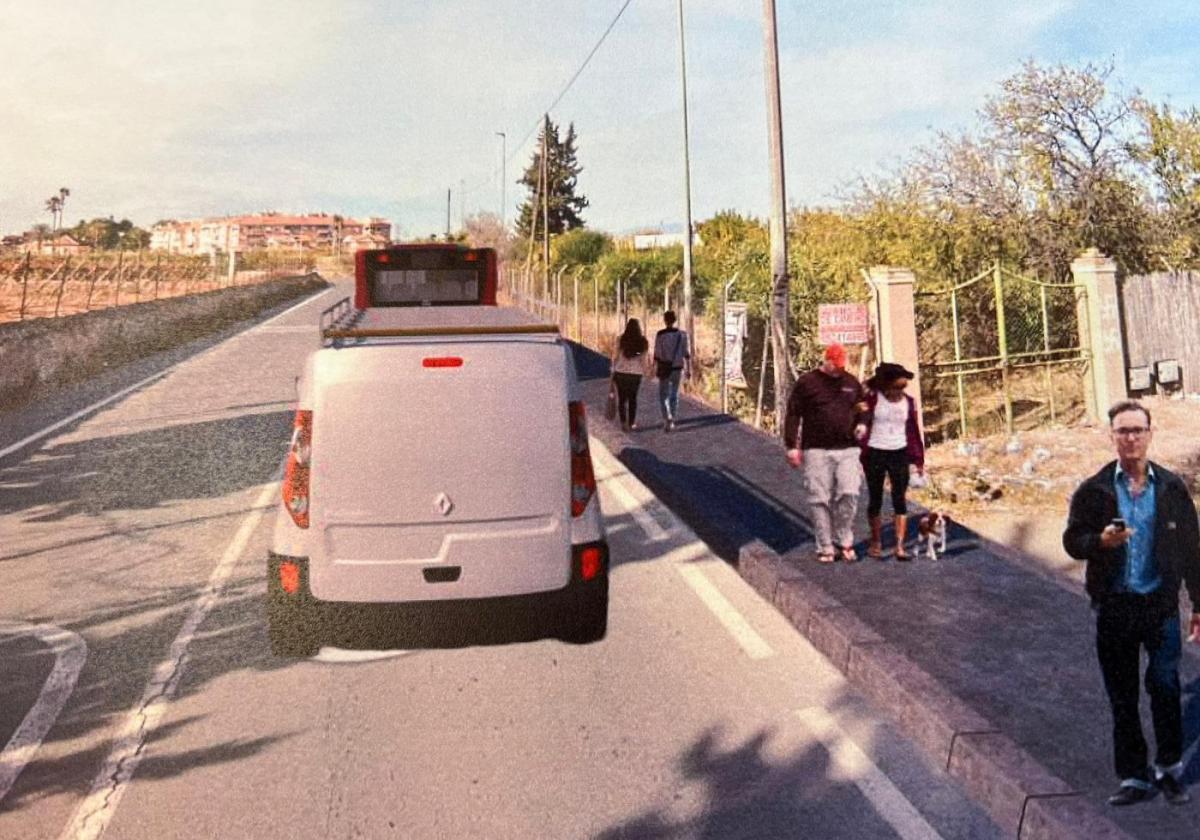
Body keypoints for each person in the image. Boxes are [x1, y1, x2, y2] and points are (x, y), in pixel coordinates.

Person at [1062, 400, 1200, 807]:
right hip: (1115, 607)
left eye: (1138, 430)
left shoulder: (1172, 489)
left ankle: (1169, 768)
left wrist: (1198, 604)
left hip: (1159, 607)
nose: (1131, 438)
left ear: (1150, 434)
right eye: (1123, 431)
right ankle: (1134, 776)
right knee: (1122, 696)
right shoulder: (1095, 490)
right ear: (1112, 438)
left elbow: (1194, 550)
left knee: (1165, 687)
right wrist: (1099, 542)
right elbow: (1072, 541)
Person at [783, 343, 868, 563]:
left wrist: (863, 424)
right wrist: (792, 445)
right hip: (816, 449)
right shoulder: (807, 383)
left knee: (849, 492)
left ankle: (844, 540)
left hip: (848, 448)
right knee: (819, 498)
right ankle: (825, 546)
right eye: (835, 364)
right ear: (827, 360)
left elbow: (864, 408)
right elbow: (793, 414)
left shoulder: (851, 383)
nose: (838, 369)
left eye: (842, 365)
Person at [860, 362, 925, 560]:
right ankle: (876, 542)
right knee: (876, 498)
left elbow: (913, 431)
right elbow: (859, 418)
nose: (899, 391)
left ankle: (899, 546)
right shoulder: (872, 400)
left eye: (902, 388)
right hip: (875, 452)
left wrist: (918, 460)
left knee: (900, 499)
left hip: (900, 452)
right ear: (885, 385)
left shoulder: (909, 402)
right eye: (896, 387)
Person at [653, 310, 690, 432]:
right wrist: (688, 369)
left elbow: (657, 354)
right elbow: (686, 353)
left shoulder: (660, 335)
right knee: (674, 393)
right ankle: (672, 417)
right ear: (674, 320)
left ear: (665, 320)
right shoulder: (682, 335)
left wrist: (654, 367)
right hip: (677, 367)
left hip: (664, 367)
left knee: (663, 394)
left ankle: (666, 418)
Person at [610, 318, 650, 431]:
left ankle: (623, 422)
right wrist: (647, 372)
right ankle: (631, 422)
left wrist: (612, 368)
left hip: (621, 372)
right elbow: (643, 360)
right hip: (635, 374)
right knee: (633, 398)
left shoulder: (621, 339)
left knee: (622, 399)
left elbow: (615, 356)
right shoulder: (643, 342)